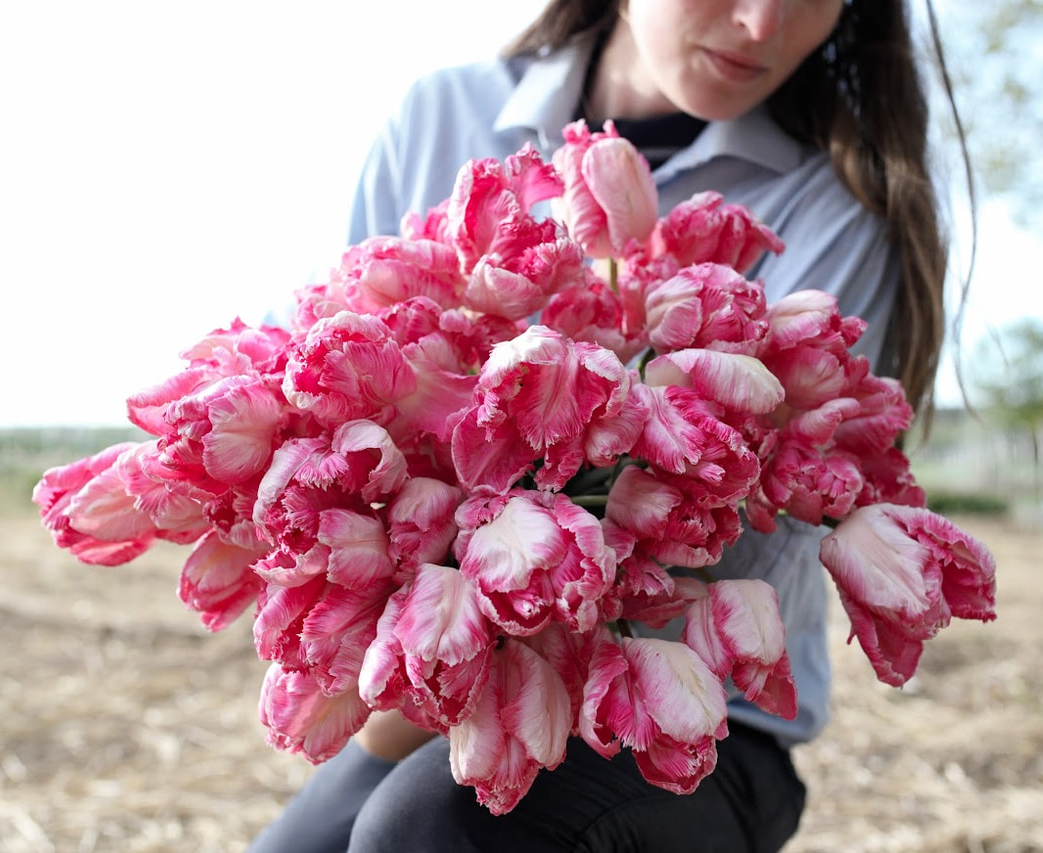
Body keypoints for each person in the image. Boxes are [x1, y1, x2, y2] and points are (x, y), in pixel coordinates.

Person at [248, 0, 968, 850]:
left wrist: (435, 644)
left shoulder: (839, 202)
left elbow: (734, 535)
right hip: (420, 684)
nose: (762, 22)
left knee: (428, 825)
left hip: (692, 731)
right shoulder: (445, 113)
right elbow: (320, 387)